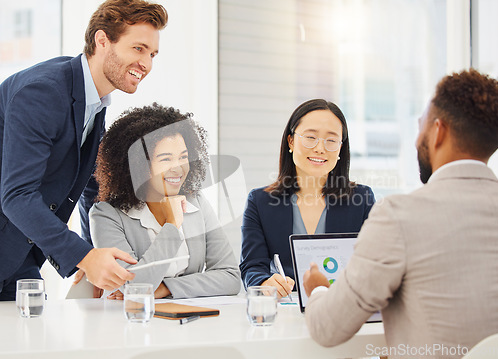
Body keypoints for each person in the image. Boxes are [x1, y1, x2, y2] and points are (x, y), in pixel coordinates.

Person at [304, 69, 498, 357]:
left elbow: (327, 328)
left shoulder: (398, 216)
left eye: (420, 125)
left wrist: (319, 290)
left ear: (438, 131)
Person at [0, 0, 168, 301]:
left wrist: (97, 254)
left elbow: (91, 188)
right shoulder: (43, 92)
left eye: (152, 54)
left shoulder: (94, 104)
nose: (147, 64)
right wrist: (84, 257)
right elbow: (17, 196)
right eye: (139, 48)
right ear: (102, 40)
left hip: (18, 255)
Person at [89, 103, 241, 299]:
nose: (178, 168)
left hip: (187, 320)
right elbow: (134, 287)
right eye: (166, 159)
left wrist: (166, 288)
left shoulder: (197, 202)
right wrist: (171, 225)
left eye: (183, 157)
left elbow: (230, 277)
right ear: (139, 165)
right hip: (131, 320)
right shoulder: (106, 215)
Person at [240, 99, 375, 298]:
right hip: (285, 312)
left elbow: (375, 263)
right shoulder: (260, 201)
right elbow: (252, 266)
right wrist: (265, 282)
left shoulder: (362, 199)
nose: (320, 148)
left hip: (341, 307)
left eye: (331, 140)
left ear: (340, 148)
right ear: (291, 141)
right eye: (311, 137)